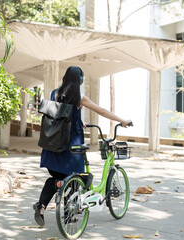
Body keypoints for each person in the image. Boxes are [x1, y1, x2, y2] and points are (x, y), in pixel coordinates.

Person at [33, 66, 133, 226]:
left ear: (65, 78)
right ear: (79, 80)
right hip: (70, 148)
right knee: (75, 178)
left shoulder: (54, 93)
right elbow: (101, 111)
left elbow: (61, 114)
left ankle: (41, 206)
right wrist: (122, 120)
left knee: (58, 178)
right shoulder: (79, 97)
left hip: (53, 146)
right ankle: (69, 215)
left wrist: (79, 121)